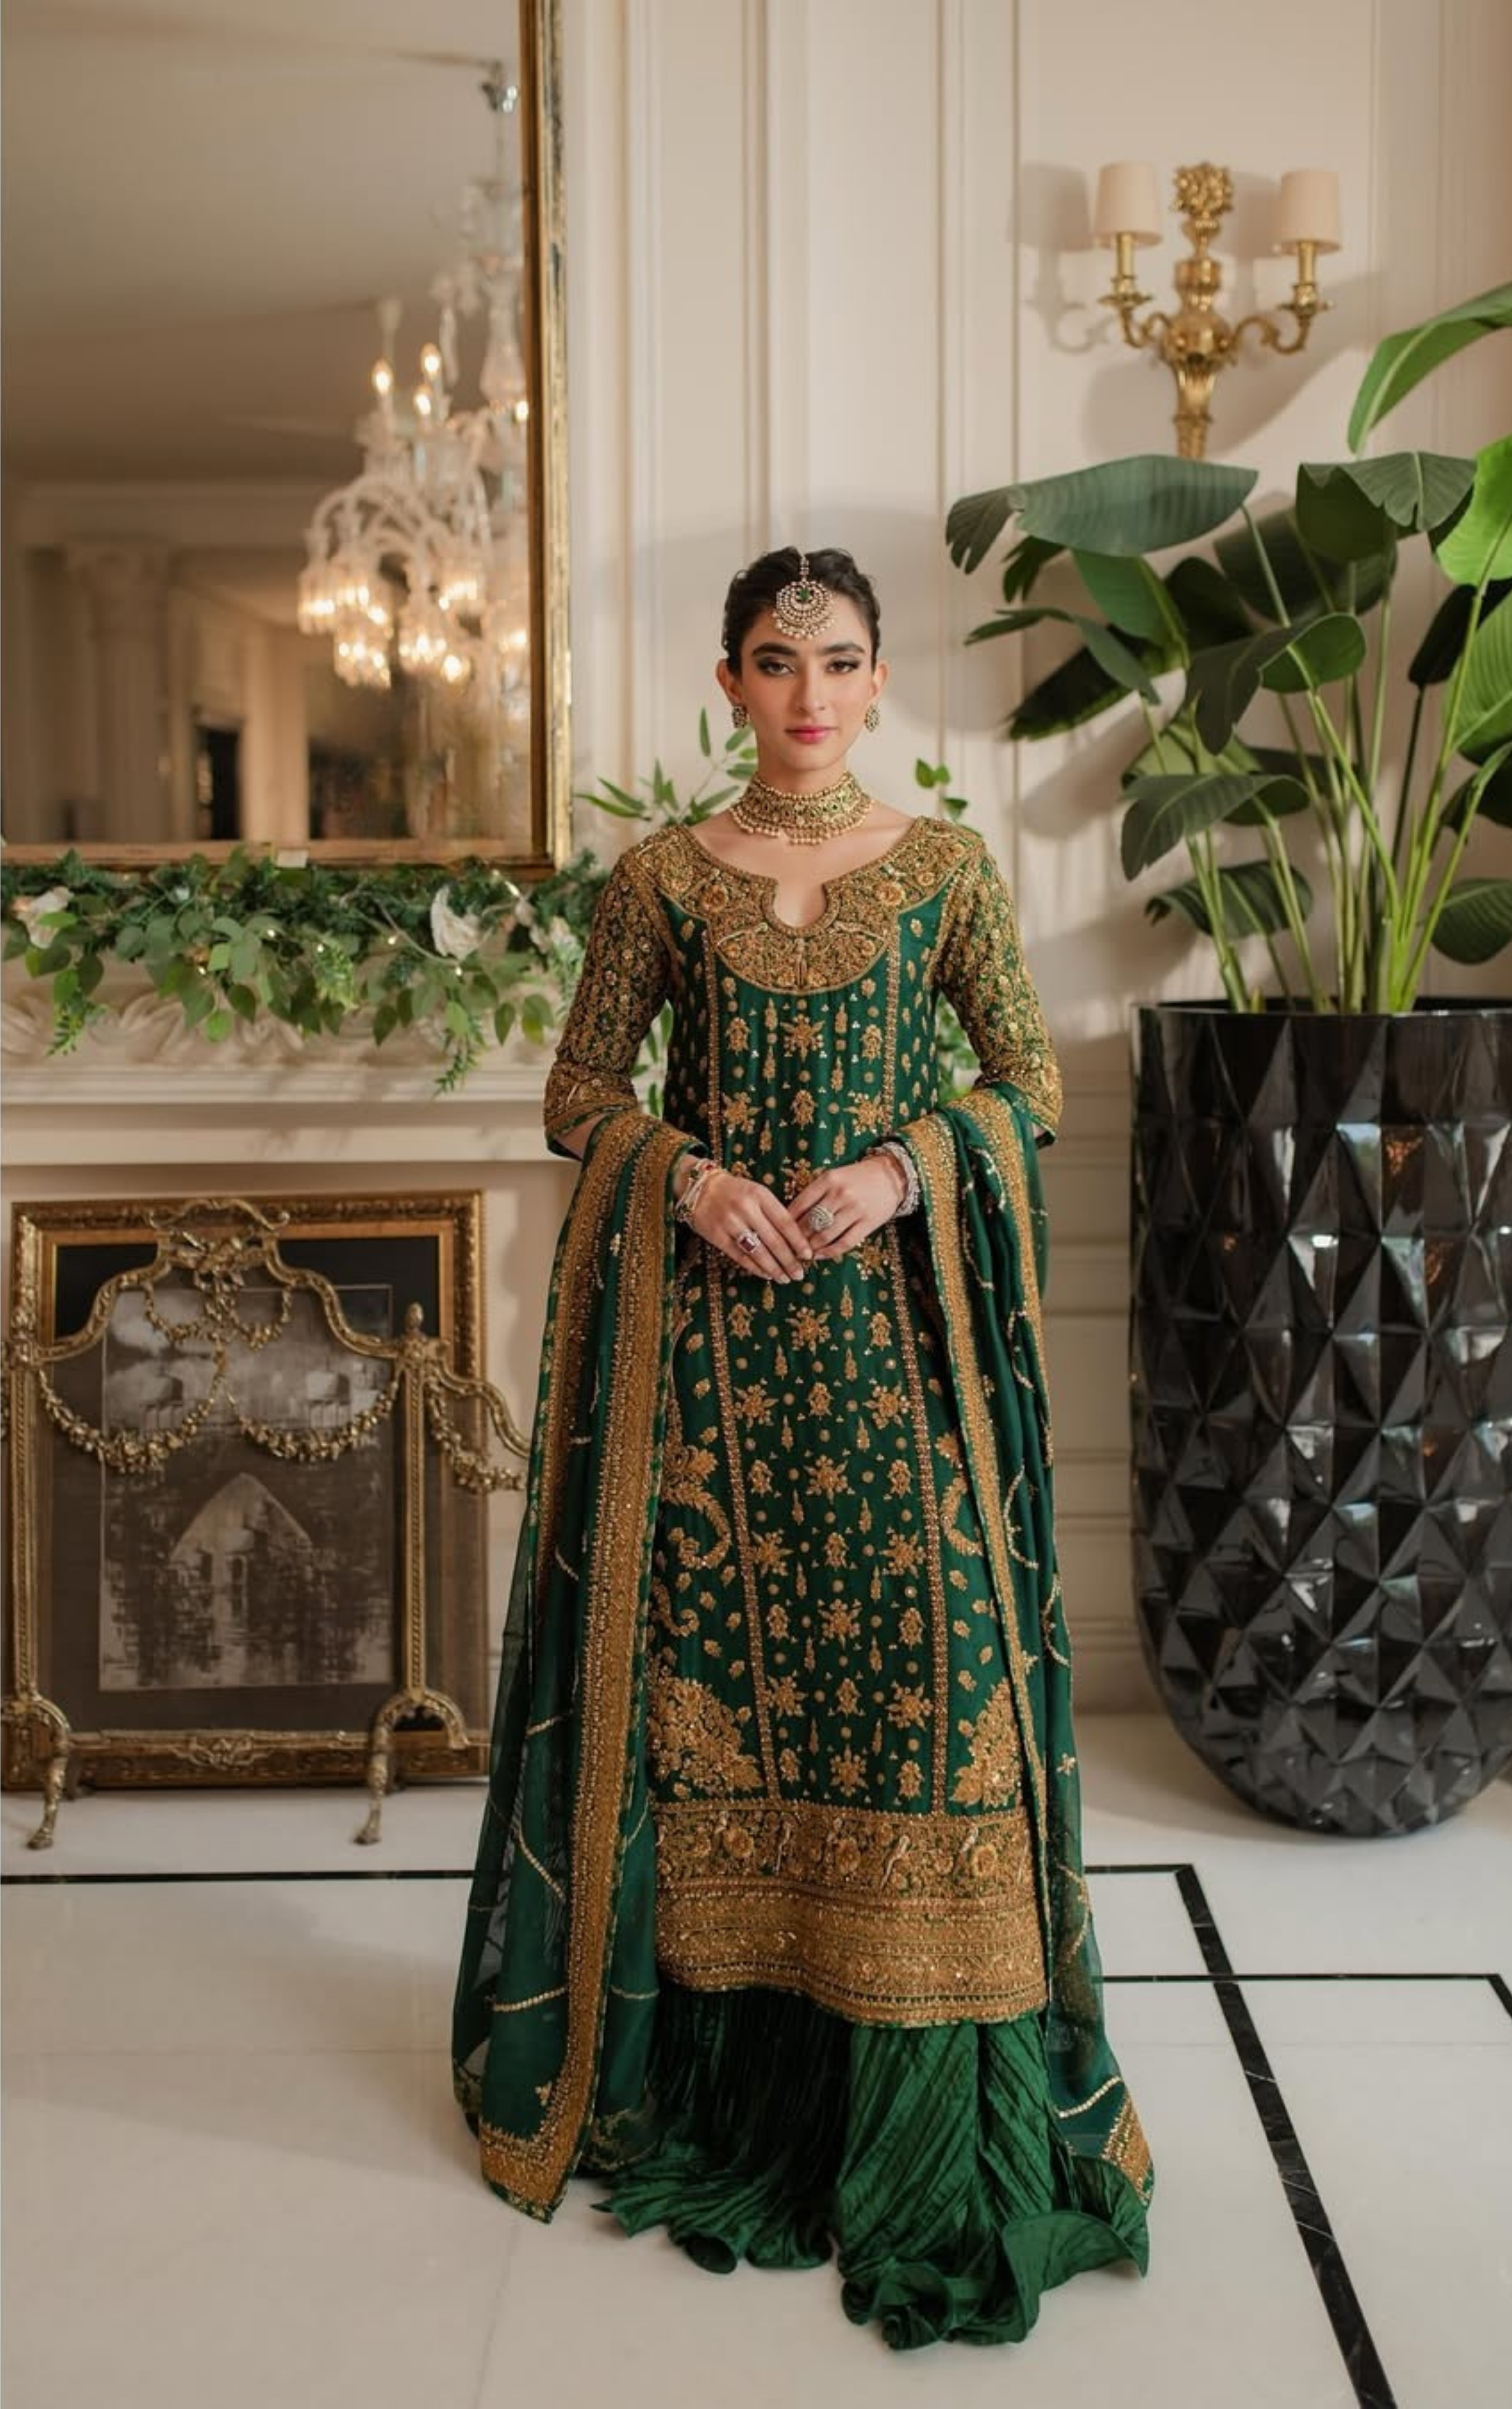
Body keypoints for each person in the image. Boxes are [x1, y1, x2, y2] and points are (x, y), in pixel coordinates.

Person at [452, 546, 1154, 2349]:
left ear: (881, 676)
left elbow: (1034, 1079)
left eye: (840, 662)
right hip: (712, 1390)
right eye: (777, 663)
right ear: (728, 681)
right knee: (727, 1713)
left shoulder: (943, 873)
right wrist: (680, 1177)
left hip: (897, 1354)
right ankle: (739, 2101)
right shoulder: (663, 884)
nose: (811, 696)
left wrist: (906, 1167)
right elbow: (579, 1092)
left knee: (929, 1681)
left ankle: (932, 2137)